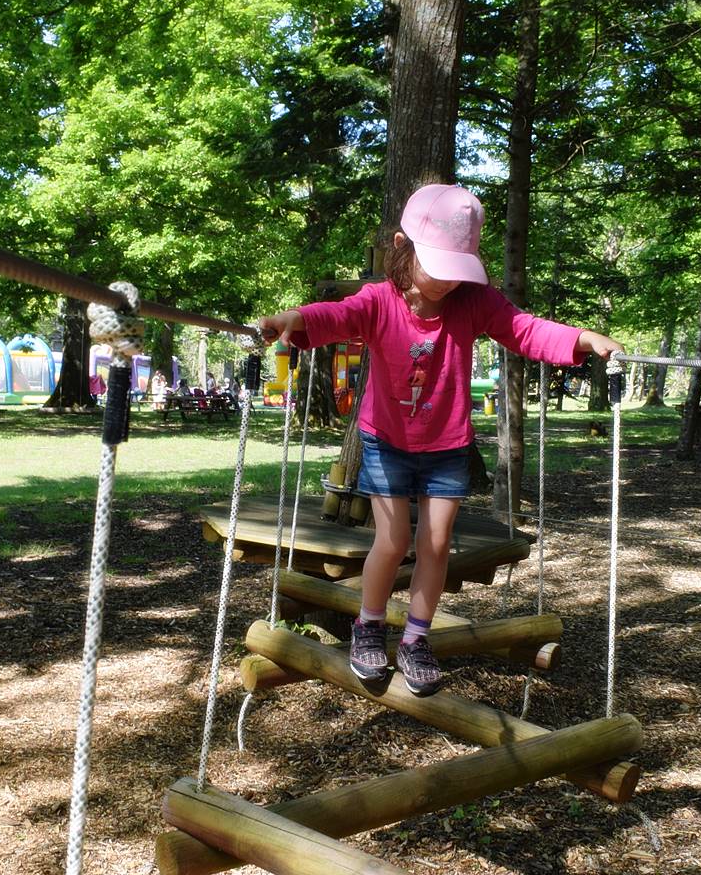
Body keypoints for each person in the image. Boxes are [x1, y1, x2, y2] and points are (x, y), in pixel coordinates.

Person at [257, 183, 621, 695]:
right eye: (440, 268)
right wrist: (294, 321)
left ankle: (415, 639)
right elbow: (336, 316)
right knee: (394, 540)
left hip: (447, 444)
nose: (450, 282)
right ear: (403, 248)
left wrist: (581, 339)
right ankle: (368, 625)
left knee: (436, 543)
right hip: (385, 439)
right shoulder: (379, 301)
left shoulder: (473, 302)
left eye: (459, 270)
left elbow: (523, 329)